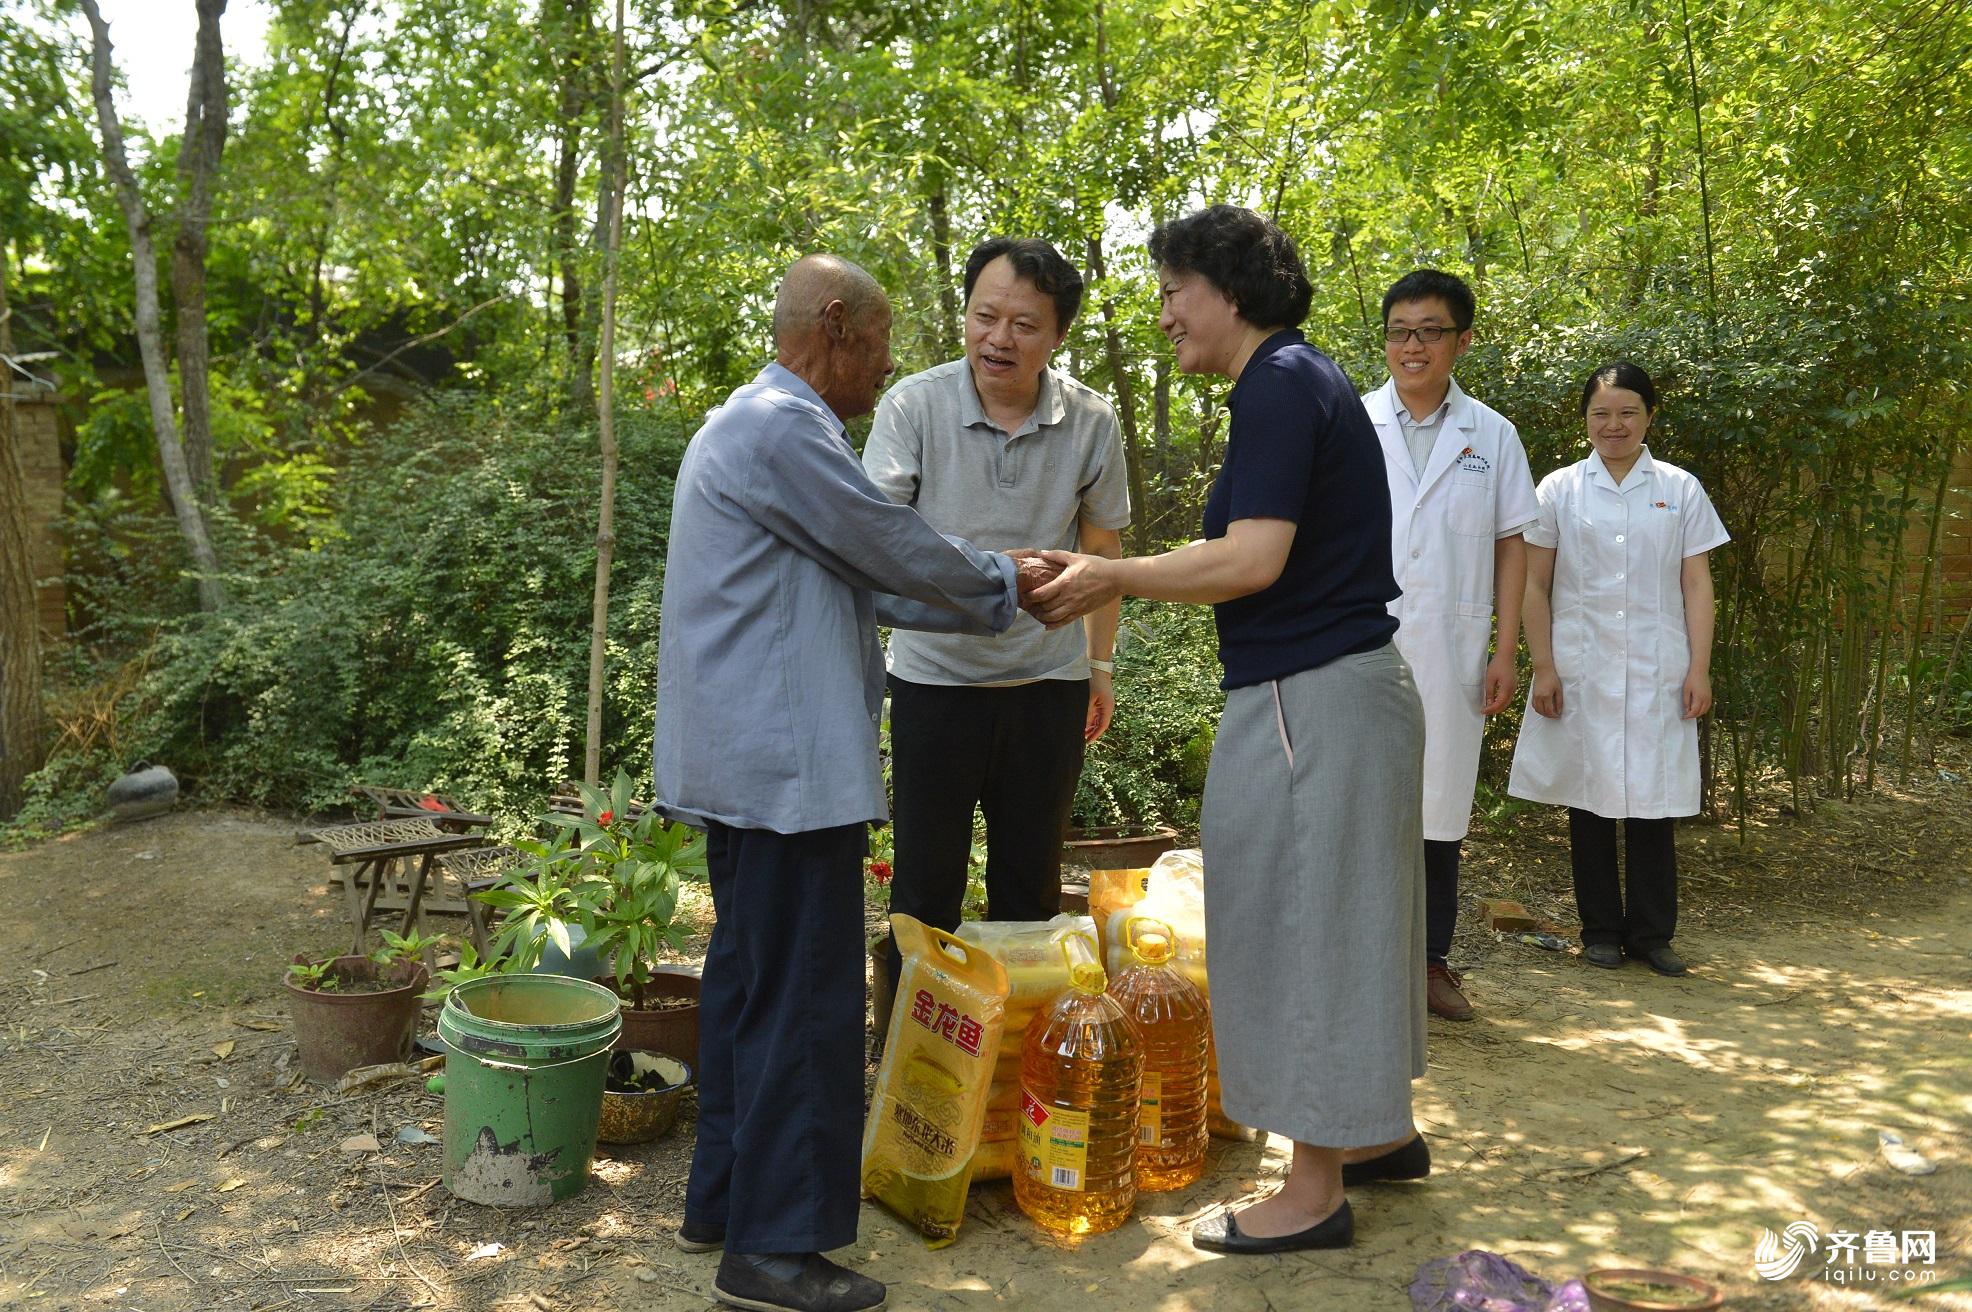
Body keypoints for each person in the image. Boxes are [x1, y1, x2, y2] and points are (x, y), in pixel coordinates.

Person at [1027, 205, 1427, 1254]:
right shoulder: (1300, 382)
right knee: (1348, 912)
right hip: (1339, 693)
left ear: (1229, 291)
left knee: (1298, 921)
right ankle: (1372, 1131)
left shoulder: (1282, 384)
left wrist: (1109, 572)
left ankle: (1313, 1188)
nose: (1162, 314)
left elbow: (1250, 558)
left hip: (1311, 697)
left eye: (1172, 291)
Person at [652, 254, 1047, 1312]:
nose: (883, 370)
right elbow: (889, 543)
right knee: (809, 1004)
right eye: (877, 345)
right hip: (784, 772)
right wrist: (1008, 581)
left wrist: (1000, 588)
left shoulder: (765, 429)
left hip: (757, 769)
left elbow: (868, 579)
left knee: (752, 984)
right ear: (832, 326)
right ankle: (775, 1249)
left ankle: (726, 1205)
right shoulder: (780, 428)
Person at [863, 237, 1130, 960]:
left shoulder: (1091, 419)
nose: (998, 339)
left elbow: (1104, 556)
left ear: (1058, 335)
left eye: (1023, 325)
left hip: (1048, 683)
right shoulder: (912, 407)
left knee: (1032, 889)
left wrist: (1099, 668)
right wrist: (987, 571)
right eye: (985, 317)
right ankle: (907, 1054)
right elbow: (877, 542)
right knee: (923, 892)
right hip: (934, 682)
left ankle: (1020, 1055)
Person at [1507, 360, 1729, 978]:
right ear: (1585, 421)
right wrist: (1543, 667)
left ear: (1650, 417)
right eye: (1601, 413)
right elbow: (1535, 585)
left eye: (1628, 412)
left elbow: (1697, 583)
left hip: (1661, 665)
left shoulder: (1680, 488)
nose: (1614, 425)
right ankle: (1600, 930)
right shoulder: (1557, 491)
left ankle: (1654, 936)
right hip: (1583, 667)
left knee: (1654, 801)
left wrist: (1700, 668)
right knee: (1590, 797)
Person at [1366, 270, 1538, 1021]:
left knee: (1439, 809)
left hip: (1453, 647)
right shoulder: (1348, 419)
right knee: (1361, 802)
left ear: (1461, 342)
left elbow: (1512, 546)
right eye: (1400, 330)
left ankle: (1431, 965)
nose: (1413, 346)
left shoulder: (1492, 436)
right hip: (1361, 640)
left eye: (1430, 331)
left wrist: (1506, 650)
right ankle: (1362, 965)